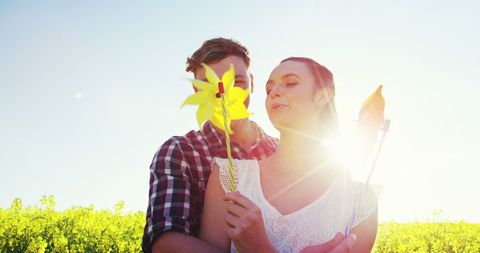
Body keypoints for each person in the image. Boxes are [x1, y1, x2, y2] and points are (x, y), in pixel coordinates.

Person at [199, 57, 378, 253]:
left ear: (322, 96)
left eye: (290, 83)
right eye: (268, 89)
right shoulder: (229, 176)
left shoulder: (360, 202)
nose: (274, 92)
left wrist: (261, 249)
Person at [142, 38, 278, 253]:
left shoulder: (279, 150)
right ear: (197, 91)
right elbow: (165, 241)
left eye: (238, 82)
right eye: (211, 86)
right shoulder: (179, 151)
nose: (224, 94)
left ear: (251, 82)